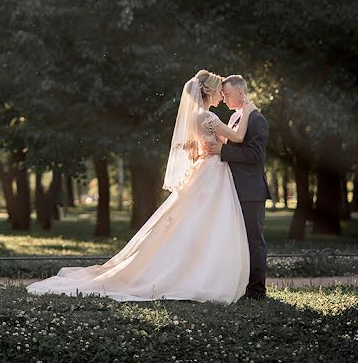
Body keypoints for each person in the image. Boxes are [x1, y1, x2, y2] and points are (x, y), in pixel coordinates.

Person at [26, 70, 256, 303]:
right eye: (219, 91)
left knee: (198, 222)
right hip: (212, 172)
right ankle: (202, 274)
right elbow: (237, 138)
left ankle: (197, 269)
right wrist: (248, 111)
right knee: (210, 221)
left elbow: (195, 147)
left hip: (205, 170)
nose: (221, 96)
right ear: (209, 91)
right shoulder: (209, 118)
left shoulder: (196, 117)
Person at [204, 75, 270, 299]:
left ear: (241, 93)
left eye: (227, 94)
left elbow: (255, 155)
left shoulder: (256, 120)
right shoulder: (234, 118)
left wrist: (222, 151)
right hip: (234, 189)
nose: (223, 99)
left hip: (251, 191)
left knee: (254, 240)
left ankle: (257, 290)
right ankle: (241, 285)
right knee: (238, 240)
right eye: (222, 95)